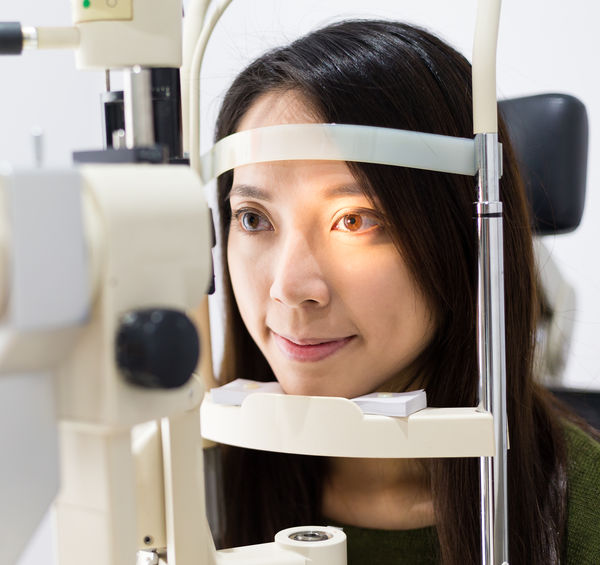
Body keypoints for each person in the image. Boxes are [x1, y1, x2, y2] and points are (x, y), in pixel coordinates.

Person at [210, 19, 600, 564]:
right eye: (252, 218)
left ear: (461, 240)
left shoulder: (579, 508)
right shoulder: (187, 488)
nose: (289, 288)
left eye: (356, 220)